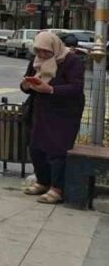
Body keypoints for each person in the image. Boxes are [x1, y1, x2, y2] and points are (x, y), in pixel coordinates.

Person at [21, 31, 85, 204]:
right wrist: (26, 85)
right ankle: (43, 181)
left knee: (56, 150)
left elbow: (76, 88)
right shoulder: (36, 61)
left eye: (46, 51)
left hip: (64, 112)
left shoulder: (72, 61)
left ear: (54, 47)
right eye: (38, 51)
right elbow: (28, 82)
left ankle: (57, 188)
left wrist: (50, 89)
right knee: (36, 147)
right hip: (40, 109)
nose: (42, 55)